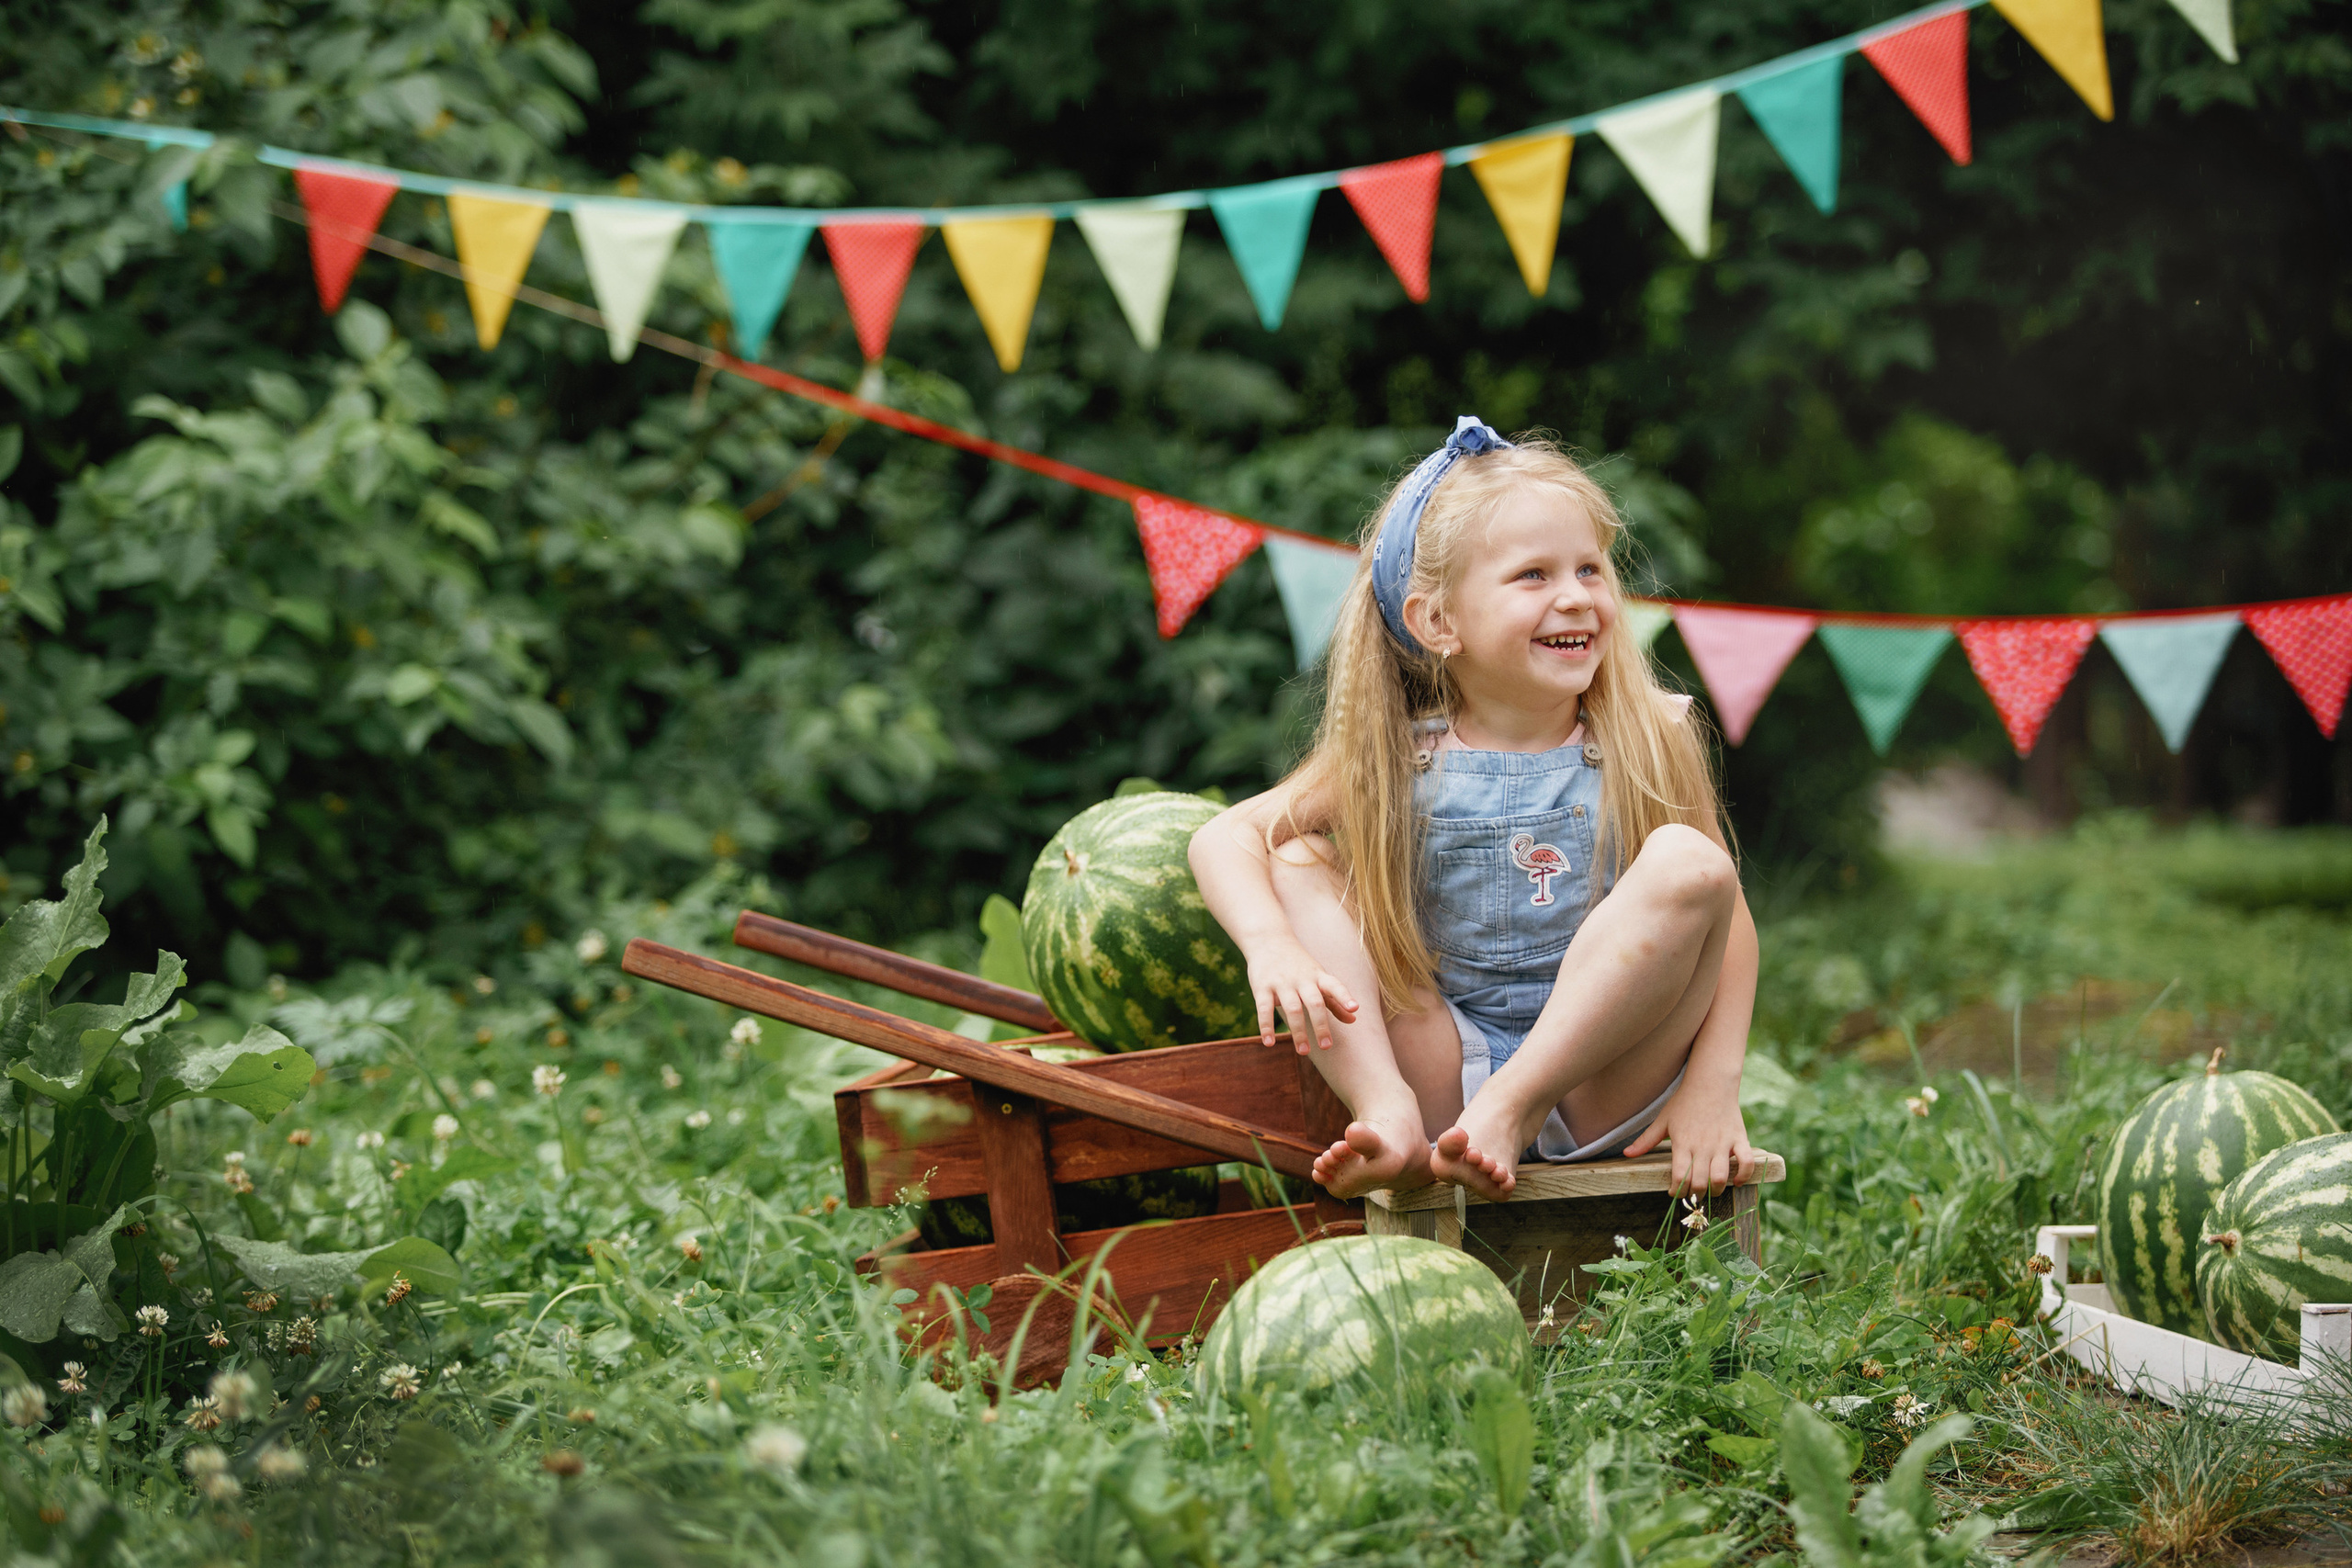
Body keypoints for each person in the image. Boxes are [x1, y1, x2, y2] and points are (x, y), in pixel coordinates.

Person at [1189, 417, 1759, 1204]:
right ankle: (1385, 1109)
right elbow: (1224, 836)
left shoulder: (1647, 733)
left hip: (1602, 1078)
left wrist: (1713, 1083)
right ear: (1438, 622)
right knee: (1296, 860)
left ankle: (1515, 1105)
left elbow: (1729, 920)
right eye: (1533, 575)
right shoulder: (1396, 755)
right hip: (1447, 1074)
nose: (1576, 597)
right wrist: (1269, 944)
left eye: (1589, 568)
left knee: (1693, 863)